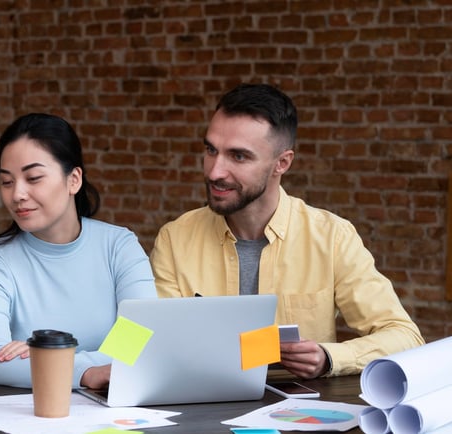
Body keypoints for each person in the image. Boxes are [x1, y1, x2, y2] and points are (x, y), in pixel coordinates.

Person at [151, 83, 424, 379]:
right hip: (200, 405)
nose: (215, 171)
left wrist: (328, 357)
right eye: (211, 150)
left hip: (296, 412)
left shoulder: (332, 238)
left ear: (282, 163)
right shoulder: (174, 238)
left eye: (238, 156)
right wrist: (103, 366)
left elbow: (405, 337)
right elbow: (148, 334)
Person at [0, 113, 156, 390]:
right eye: (7, 182)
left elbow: (139, 341)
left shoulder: (120, 247)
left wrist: (45, 358)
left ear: (73, 180)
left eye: (33, 178)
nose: (17, 194)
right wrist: (86, 373)